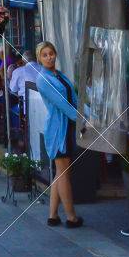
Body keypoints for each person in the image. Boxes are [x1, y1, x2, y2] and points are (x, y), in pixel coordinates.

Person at [35, 41, 83, 227]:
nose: (49, 57)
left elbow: (73, 97)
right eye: (44, 55)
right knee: (63, 172)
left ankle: (53, 216)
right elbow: (62, 103)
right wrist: (81, 120)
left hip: (67, 126)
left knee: (60, 172)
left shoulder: (58, 74)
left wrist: (87, 112)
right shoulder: (43, 78)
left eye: (51, 53)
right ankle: (71, 217)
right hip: (58, 130)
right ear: (39, 58)